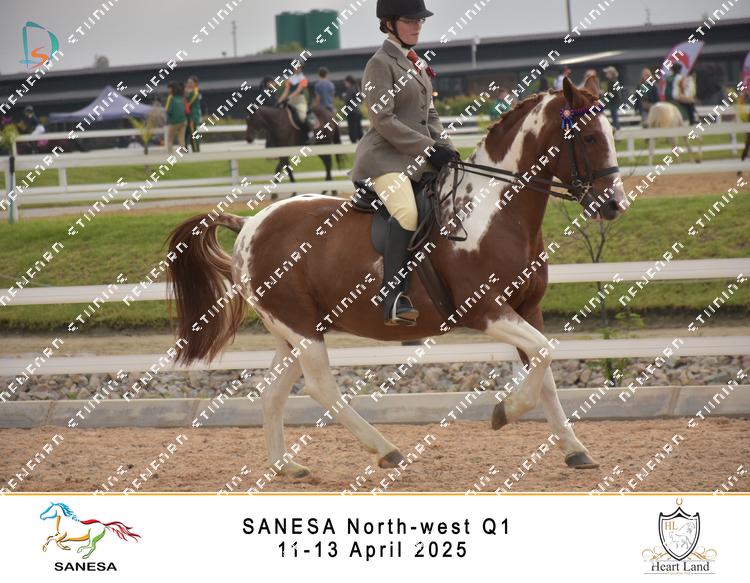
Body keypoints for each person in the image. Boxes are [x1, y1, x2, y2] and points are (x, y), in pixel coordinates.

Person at [351, 0, 458, 326]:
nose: (417, 26)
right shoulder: (379, 64)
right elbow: (382, 119)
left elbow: (431, 115)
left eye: (420, 21)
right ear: (389, 23)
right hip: (385, 159)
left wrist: (447, 149)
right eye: (410, 21)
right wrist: (428, 148)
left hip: (418, 158)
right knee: (407, 213)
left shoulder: (416, 62)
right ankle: (393, 298)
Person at [277, 62, 313, 142]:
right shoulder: (290, 79)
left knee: (302, 116)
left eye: (299, 68)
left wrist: (289, 97)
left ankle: (310, 133)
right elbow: (286, 91)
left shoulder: (303, 79)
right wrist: (279, 101)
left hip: (300, 100)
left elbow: (298, 90)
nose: (297, 69)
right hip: (290, 100)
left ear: (301, 69)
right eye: (296, 67)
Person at [165, 81, 187, 153]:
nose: (168, 90)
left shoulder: (171, 97)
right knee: (181, 139)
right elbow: (185, 109)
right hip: (183, 121)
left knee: (169, 139)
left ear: (171, 89)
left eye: (168, 88)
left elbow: (167, 110)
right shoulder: (182, 97)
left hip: (174, 121)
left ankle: (170, 154)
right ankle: (183, 154)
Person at [342, 75, 364, 143]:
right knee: (358, 129)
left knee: (352, 129)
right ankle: (362, 142)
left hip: (351, 112)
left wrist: (344, 96)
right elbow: (361, 99)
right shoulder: (356, 89)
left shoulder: (350, 90)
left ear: (348, 82)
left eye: (345, 82)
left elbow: (347, 100)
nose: (345, 84)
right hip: (357, 111)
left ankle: (353, 142)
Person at [184, 75, 202, 152]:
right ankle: (186, 149)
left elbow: (188, 103)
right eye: (188, 82)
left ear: (195, 84)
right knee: (187, 133)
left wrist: (186, 94)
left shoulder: (194, 92)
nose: (189, 84)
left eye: (191, 83)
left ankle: (196, 149)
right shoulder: (189, 92)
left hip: (192, 116)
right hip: (188, 116)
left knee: (193, 133)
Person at [602, 66, 622, 130]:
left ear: (611, 73)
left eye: (607, 72)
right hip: (614, 101)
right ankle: (616, 127)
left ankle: (617, 128)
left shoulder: (613, 81)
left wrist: (604, 94)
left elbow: (614, 93)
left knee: (614, 115)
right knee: (614, 115)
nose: (606, 74)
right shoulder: (613, 81)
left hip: (614, 101)